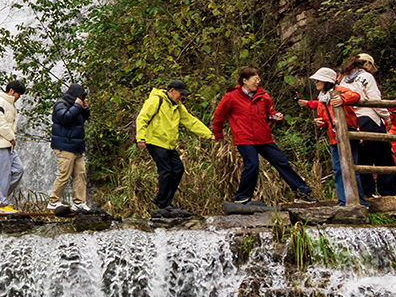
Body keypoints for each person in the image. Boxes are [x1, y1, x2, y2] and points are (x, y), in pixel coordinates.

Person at [211, 67, 315, 206]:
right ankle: (242, 197)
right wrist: (218, 134)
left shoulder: (263, 96)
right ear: (245, 81)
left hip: (264, 137)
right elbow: (219, 116)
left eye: (258, 79)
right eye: (255, 79)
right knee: (252, 165)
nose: (258, 82)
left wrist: (275, 116)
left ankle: (302, 193)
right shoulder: (231, 96)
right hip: (244, 138)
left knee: (282, 162)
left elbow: (269, 114)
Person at [135, 79, 212, 217]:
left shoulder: (178, 106)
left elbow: (191, 121)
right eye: (181, 94)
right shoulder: (156, 100)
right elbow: (142, 118)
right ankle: (164, 203)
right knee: (166, 171)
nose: (182, 97)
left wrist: (209, 135)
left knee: (178, 169)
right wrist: (140, 138)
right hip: (155, 141)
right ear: (171, 91)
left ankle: (162, 199)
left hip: (169, 144)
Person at [298, 68, 361, 206]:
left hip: (348, 134)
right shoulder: (322, 98)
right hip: (334, 138)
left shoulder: (340, 90)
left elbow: (355, 95)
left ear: (326, 81)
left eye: (318, 80)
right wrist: (320, 122)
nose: (315, 82)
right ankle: (342, 201)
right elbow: (323, 117)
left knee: (351, 168)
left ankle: (359, 201)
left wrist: (342, 99)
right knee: (338, 170)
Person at [338, 54, 396, 198]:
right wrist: (386, 116)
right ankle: (387, 192)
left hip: (353, 120)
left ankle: (366, 192)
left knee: (362, 158)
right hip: (370, 119)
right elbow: (375, 99)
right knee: (382, 155)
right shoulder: (366, 77)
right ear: (367, 64)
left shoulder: (344, 80)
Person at [48, 83, 90, 214]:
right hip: (64, 146)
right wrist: (77, 106)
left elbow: (80, 120)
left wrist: (85, 109)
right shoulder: (61, 104)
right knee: (64, 174)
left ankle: (79, 202)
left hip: (76, 146)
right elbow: (64, 118)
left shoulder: (75, 106)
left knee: (80, 174)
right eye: (81, 96)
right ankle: (53, 201)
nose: (82, 99)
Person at [0, 80, 24, 213]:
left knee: (18, 170)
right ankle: (1, 205)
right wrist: (11, 137)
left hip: (8, 144)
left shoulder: (11, 105)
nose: (19, 97)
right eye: (18, 94)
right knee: (2, 174)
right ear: (11, 91)